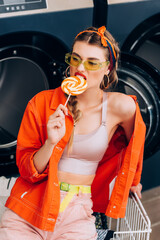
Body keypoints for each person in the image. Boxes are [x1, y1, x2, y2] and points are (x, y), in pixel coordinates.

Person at [0, 26, 146, 240]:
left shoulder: (121, 108)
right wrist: (50, 142)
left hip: (78, 210)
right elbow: (27, 171)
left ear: (108, 69)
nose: (81, 68)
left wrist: (134, 182)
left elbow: (135, 147)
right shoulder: (41, 103)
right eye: (75, 59)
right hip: (30, 205)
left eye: (92, 62)